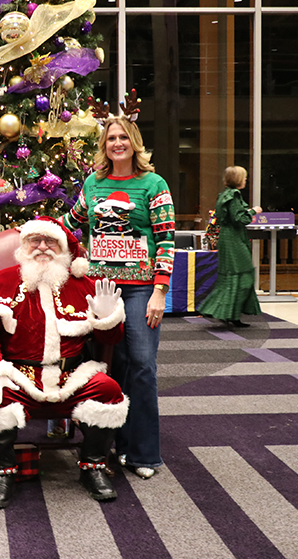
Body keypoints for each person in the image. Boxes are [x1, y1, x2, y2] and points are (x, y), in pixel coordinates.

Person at [0, 217, 127, 508]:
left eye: (50, 241)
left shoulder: (83, 285)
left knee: (108, 391)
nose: (42, 247)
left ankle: (93, 467)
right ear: (23, 246)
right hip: (19, 374)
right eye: (34, 241)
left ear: (63, 248)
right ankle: (3, 473)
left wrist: (107, 318)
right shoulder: (2, 281)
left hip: (73, 374)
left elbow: (111, 339)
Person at [61, 109, 175, 481]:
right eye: (111, 138)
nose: (117, 143)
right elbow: (70, 225)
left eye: (123, 136)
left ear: (134, 142)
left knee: (142, 364)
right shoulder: (93, 184)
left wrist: (159, 291)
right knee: (115, 365)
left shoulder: (154, 184)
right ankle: (118, 445)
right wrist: (36, 235)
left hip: (141, 288)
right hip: (101, 289)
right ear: (104, 145)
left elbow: (166, 240)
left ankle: (145, 453)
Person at [197, 166, 262, 327]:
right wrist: (253, 211)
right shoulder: (234, 196)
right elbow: (240, 219)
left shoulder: (224, 195)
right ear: (238, 179)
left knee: (232, 275)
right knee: (244, 274)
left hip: (227, 237)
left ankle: (230, 314)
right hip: (234, 239)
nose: (246, 180)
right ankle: (225, 312)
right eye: (244, 177)